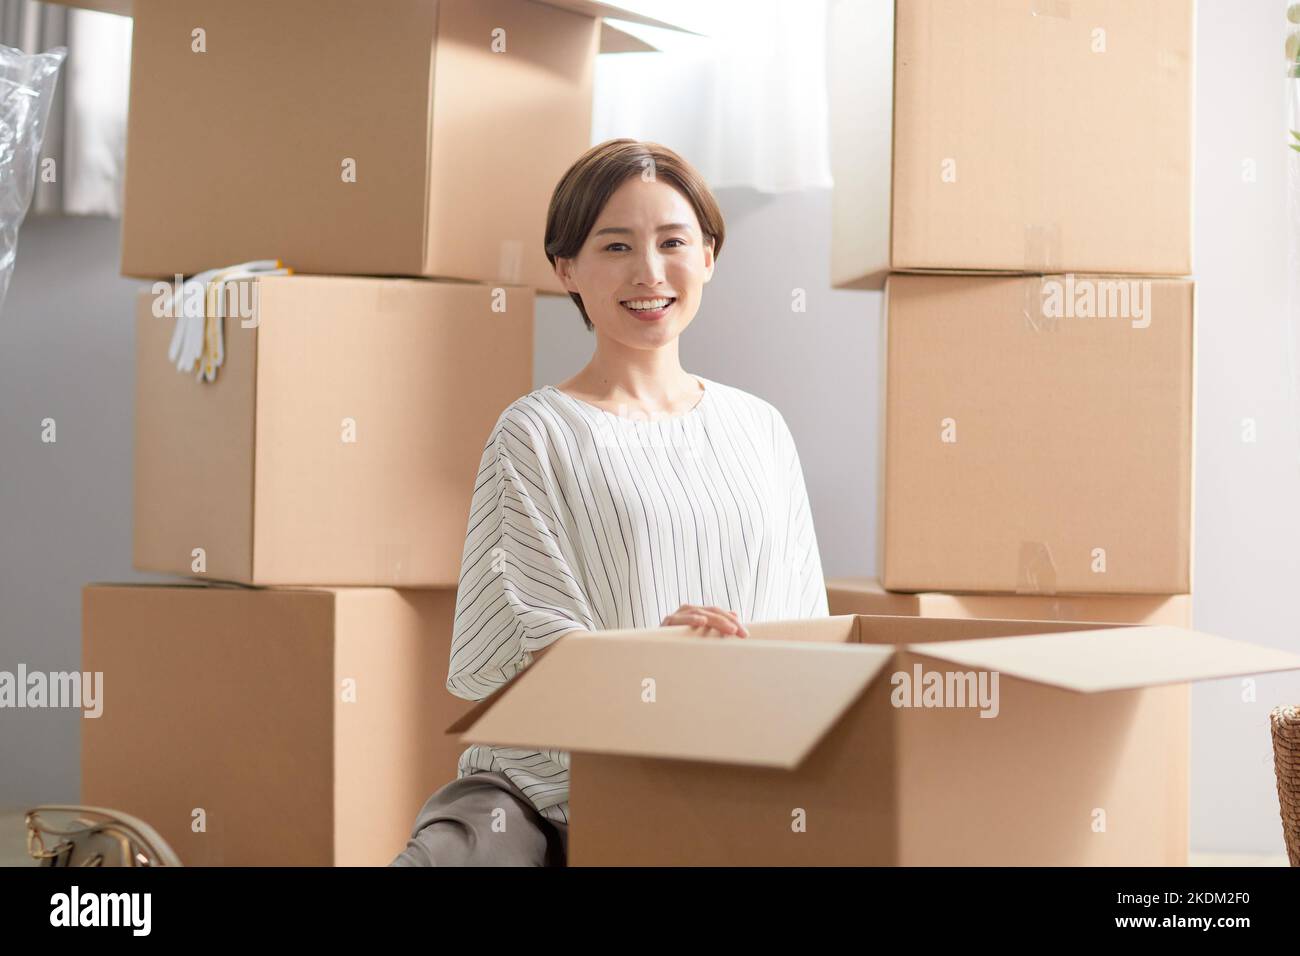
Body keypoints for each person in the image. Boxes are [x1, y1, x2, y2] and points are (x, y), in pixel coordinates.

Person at [390, 139, 829, 867]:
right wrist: (652, 661)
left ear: (709, 256)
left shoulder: (760, 428)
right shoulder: (535, 432)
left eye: (673, 242)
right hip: (556, 793)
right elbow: (526, 635)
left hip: (738, 772)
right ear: (567, 269)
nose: (649, 273)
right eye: (616, 245)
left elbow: (804, 628)